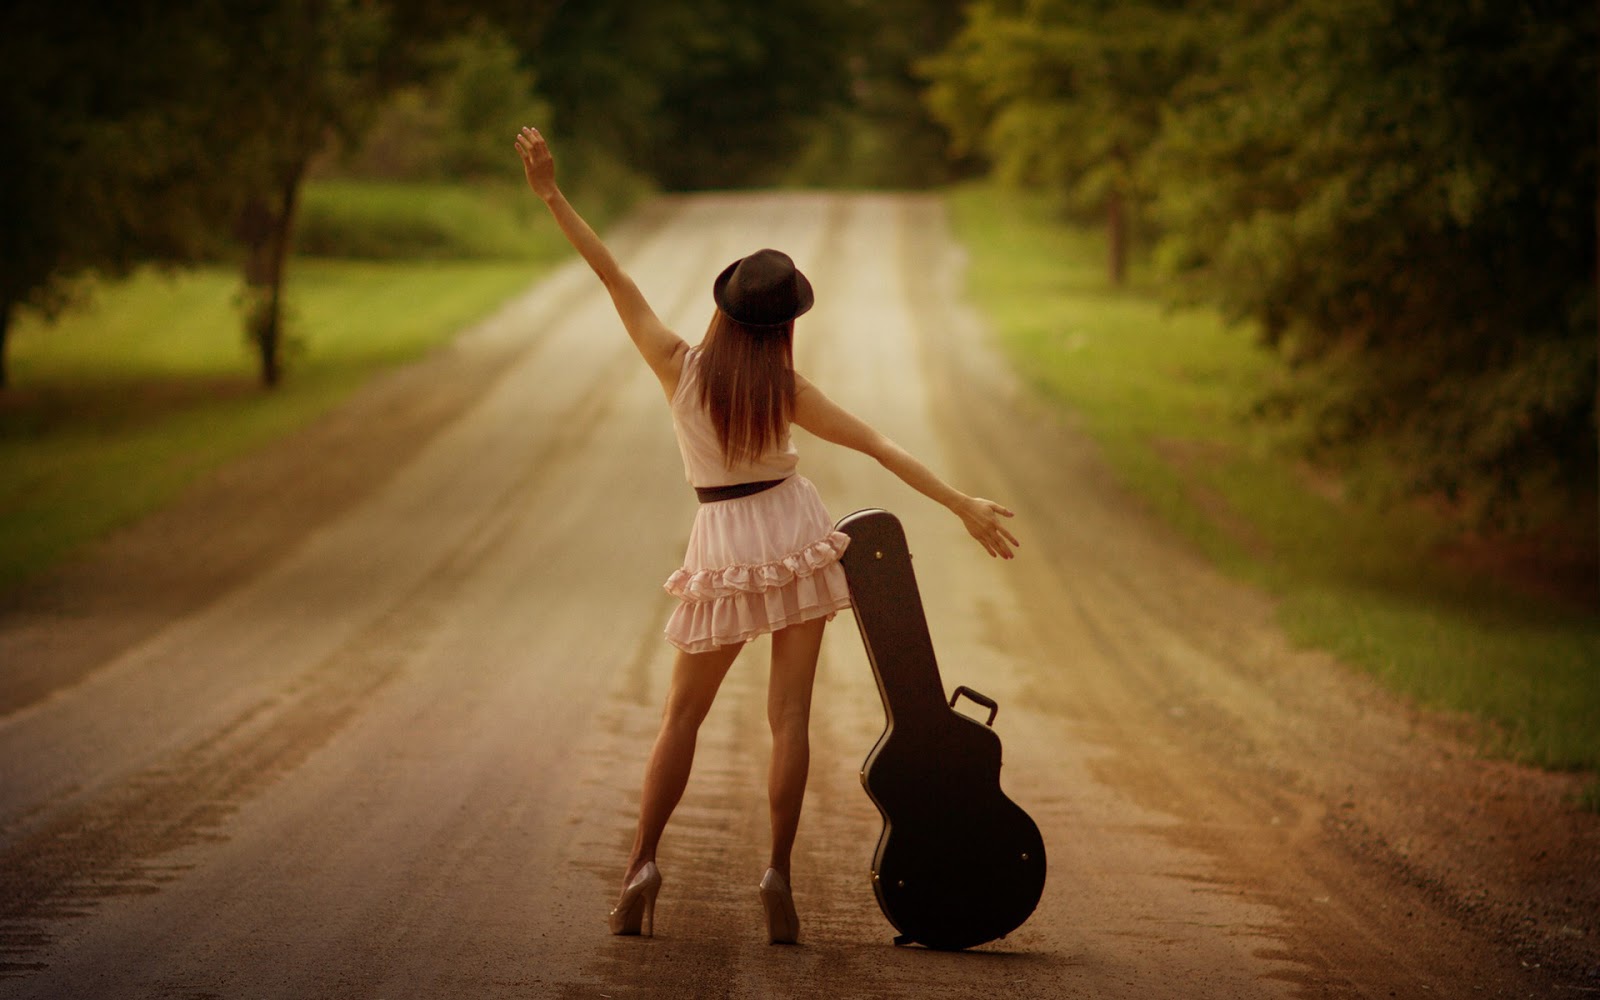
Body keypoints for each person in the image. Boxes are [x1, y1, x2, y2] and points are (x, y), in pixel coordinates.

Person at [513, 126, 1019, 945]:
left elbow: (612, 274)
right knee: (790, 720)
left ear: (722, 310)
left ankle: (642, 864)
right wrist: (960, 502)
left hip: (720, 539)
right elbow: (881, 447)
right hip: (791, 531)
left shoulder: (677, 365)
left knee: (682, 719)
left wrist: (549, 193)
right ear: (786, 325)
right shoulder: (787, 387)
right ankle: (778, 871)